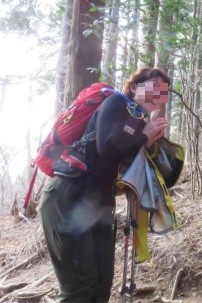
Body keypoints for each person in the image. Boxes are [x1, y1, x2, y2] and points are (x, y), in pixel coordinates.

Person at [39, 68, 170, 302]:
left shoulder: (137, 120)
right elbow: (107, 147)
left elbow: (128, 168)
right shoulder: (116, 102)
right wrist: (143, 137)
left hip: (99, 205)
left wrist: (148, 142)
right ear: (134, 87)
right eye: (154, 87)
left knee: (101, 285)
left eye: (164, 92)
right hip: (69, 197)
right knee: (80, 289)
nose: (159, 95)